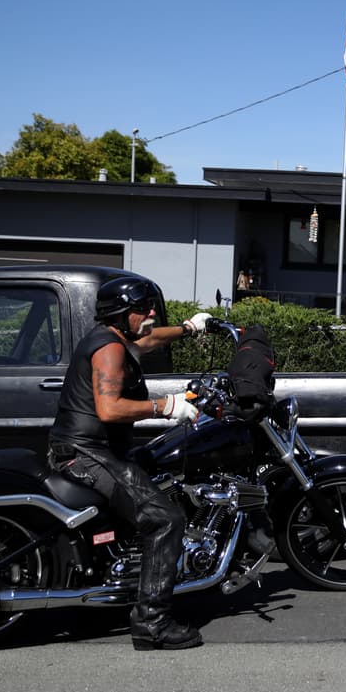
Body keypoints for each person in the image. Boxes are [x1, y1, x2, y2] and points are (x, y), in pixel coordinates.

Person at [47, 276, 211, 651]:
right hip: (88, 454)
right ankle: (152, 623)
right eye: (142, 309)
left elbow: (150, 339)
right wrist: (165, 406)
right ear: (122, 314)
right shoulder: (109, 349)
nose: (151, 312)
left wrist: (189, 327)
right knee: (165, 519)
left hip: (92, 449)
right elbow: (109, 407)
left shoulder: (117, 338)